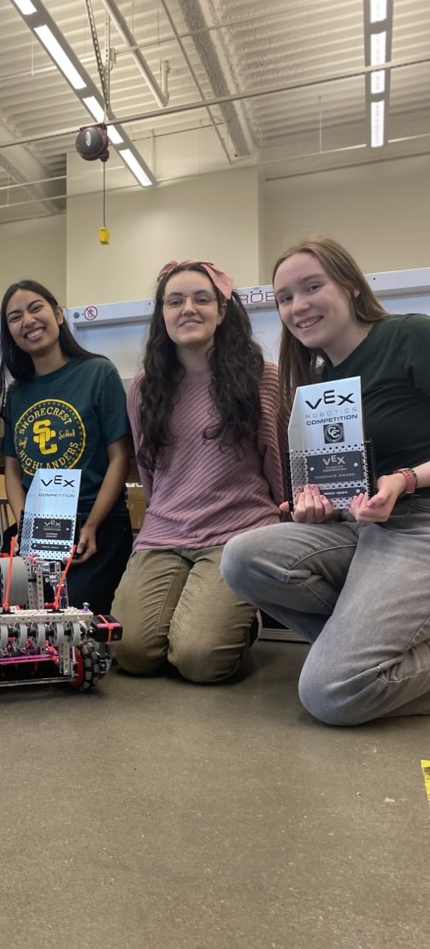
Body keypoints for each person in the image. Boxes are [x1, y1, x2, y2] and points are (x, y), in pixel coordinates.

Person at [221, 235, 430, 725]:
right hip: (366, 528)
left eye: (312, 287)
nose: (298, 306)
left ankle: (354, 664)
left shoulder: (410, 336)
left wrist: (405, 480)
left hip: (419, 524)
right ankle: (363, 648)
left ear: (352, 286)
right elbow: (346, 487)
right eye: (285, 298)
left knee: (332, 693)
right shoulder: (316, 380)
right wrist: (319, 507)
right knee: (242, 558)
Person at [111, 260, 286, 682]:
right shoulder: (144, 388)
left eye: (201, 299)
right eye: (175, 301)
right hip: (164, 534)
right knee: (130, 652)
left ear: (222, 311)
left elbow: (278, 463)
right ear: (162, 315)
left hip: (237, 533)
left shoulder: (262, 377)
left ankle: (244, 618)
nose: (188, 309)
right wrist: (164, 519)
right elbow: (151, 475)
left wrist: (282, 533)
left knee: (200, 661)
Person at [0, 279, 133, 617]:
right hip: (39, 529)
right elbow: (12, 470)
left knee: (74, 617)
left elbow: (120, 457)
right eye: (15, 317)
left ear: (58, 314)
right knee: (15, 618)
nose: (28, 321)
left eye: (36, 308)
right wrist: (26, 527)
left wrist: (92, 525)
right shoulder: (16, 394)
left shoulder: (99, 373)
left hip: (96, 525)